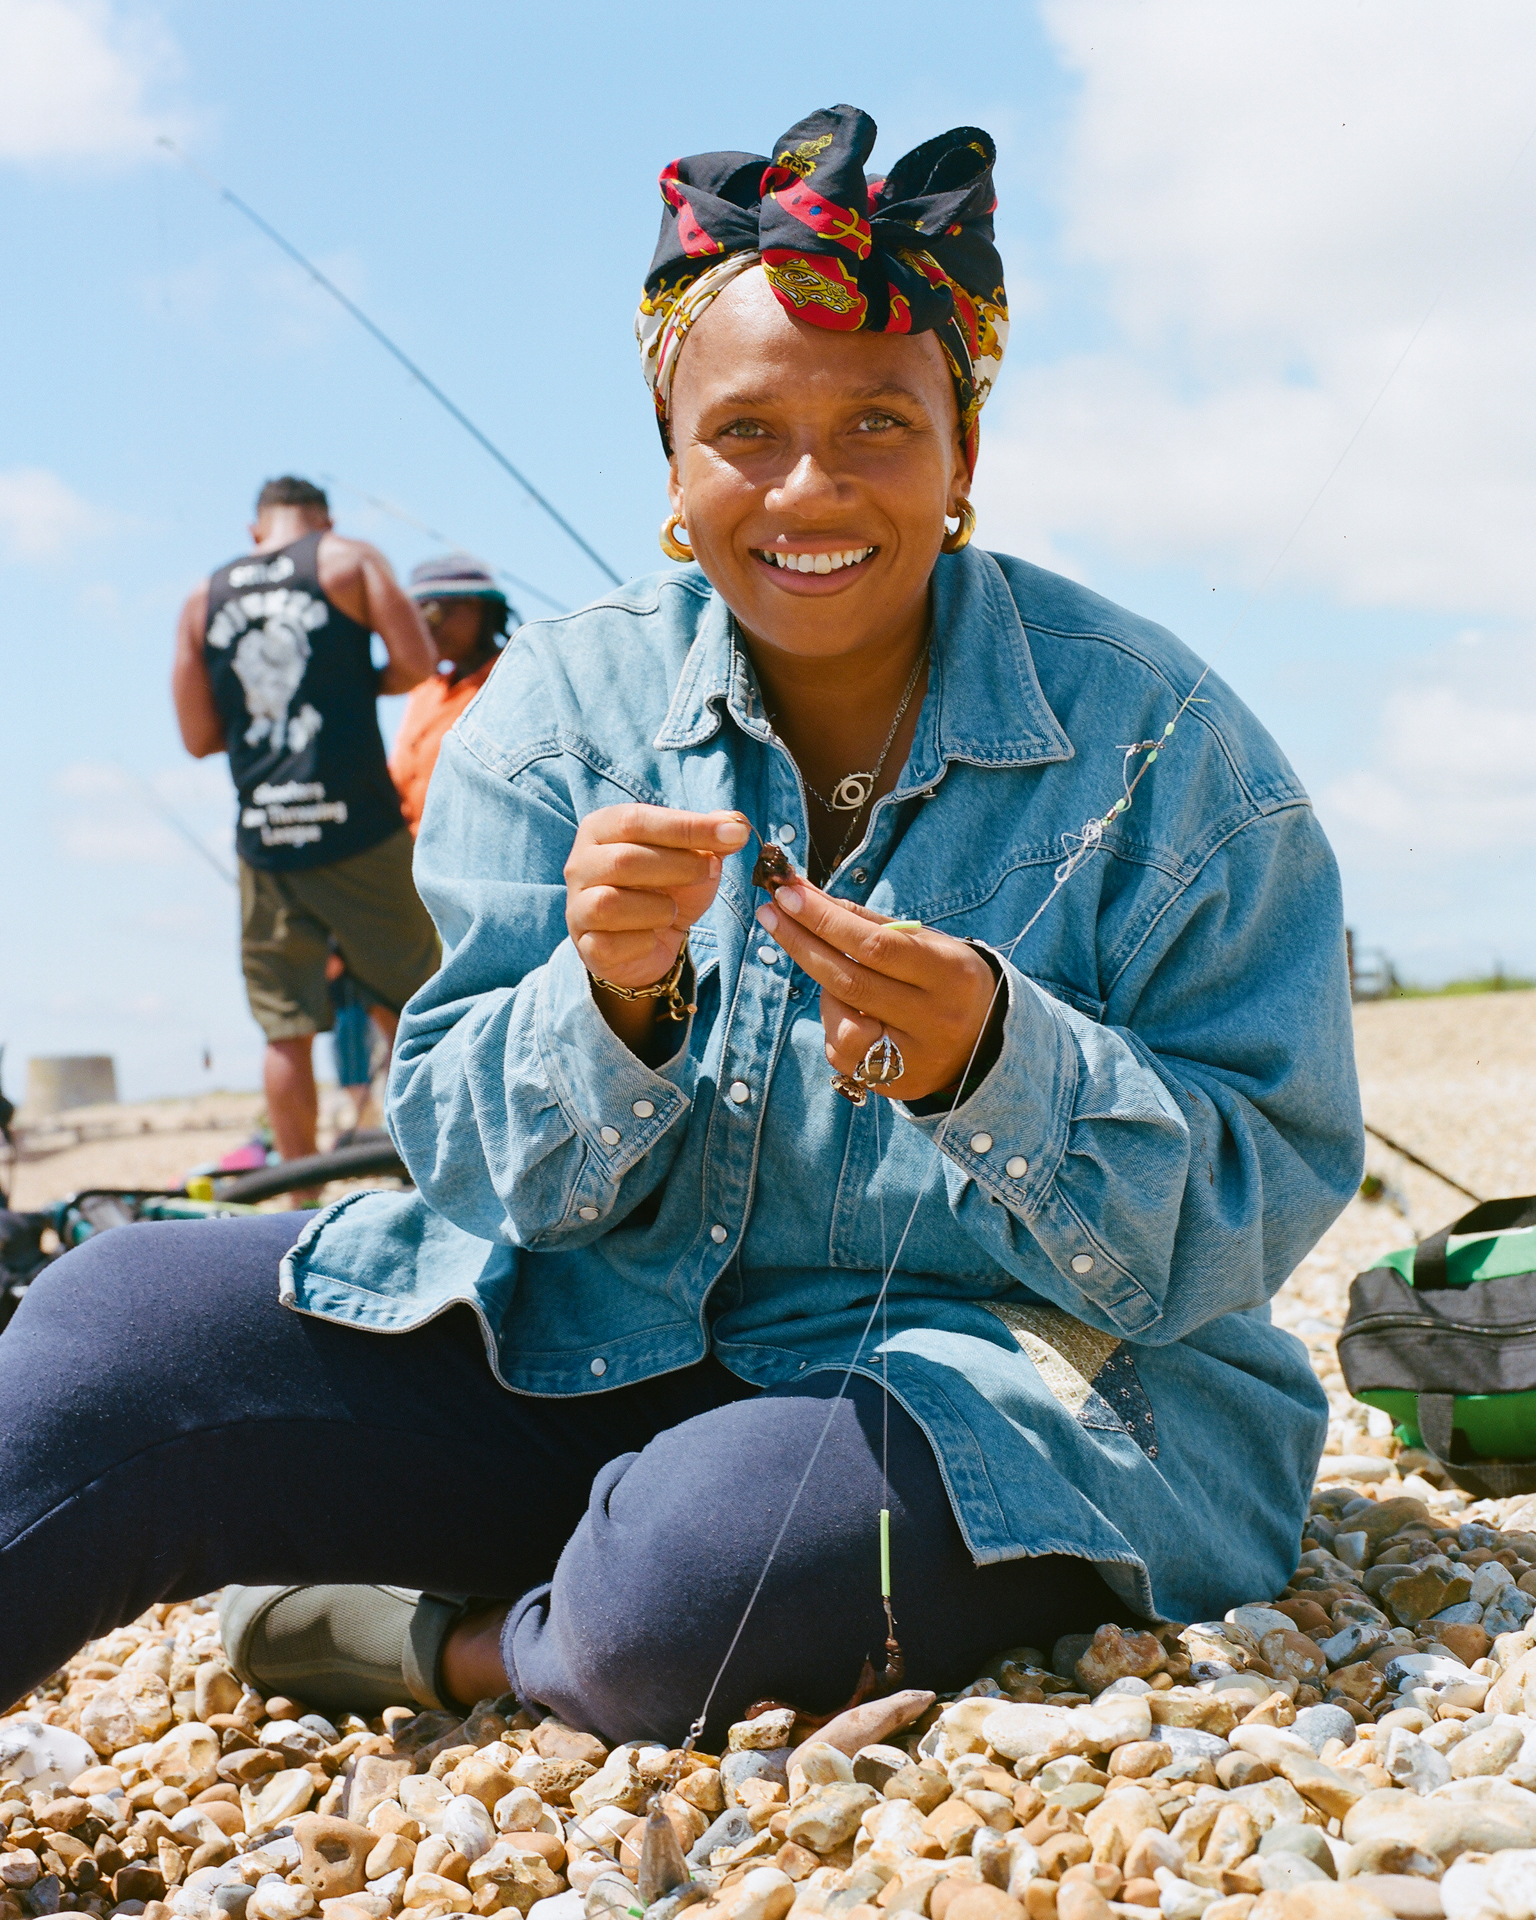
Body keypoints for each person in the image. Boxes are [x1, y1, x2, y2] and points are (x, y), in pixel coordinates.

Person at [2, 107, 1361, 1742]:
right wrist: (608, 1007)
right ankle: (575, 1557)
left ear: (965, 454)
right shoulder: (558, 714)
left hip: (1011, 1391)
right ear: (668, 457)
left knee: (697, 1585)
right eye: (745, 433)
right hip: (610, 1348)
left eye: (879, 421)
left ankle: (469, 1645)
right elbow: (466, 1165)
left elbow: (1258, 1206)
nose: (812, 486)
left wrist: (999, 1060)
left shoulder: (1164, 747)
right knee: (115, 1321)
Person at [171, 477, 441, 1182]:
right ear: (324, 519)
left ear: (255, 529)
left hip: (265, 840)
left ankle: (298, 1199)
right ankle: (430, 1173)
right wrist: (356, 685)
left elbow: (197, 735)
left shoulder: (204, 597)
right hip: (360, 825)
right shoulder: (348, 561)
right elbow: (417, 664)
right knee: (415, 1002)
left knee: (285, 1029)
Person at [388, 553, 515, 835]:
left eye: (430, 613)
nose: (423, 629)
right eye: (414, 617)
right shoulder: (424, 689)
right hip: (408, 861)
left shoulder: (515, 679)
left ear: (475, 605)